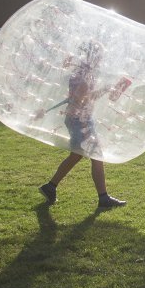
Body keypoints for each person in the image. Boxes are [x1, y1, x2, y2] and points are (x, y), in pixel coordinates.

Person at [37, 41, 126, 208]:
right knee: (96, 157)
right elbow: (81, 98)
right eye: (98, 56)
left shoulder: (81, 72)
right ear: (92, 57)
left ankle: (50, 187)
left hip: (78, 118)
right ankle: (103, 198)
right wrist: (104, 90)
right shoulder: (85, 75)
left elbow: (81, 97)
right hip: (79, 120)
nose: (100, 60)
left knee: (76, 155)